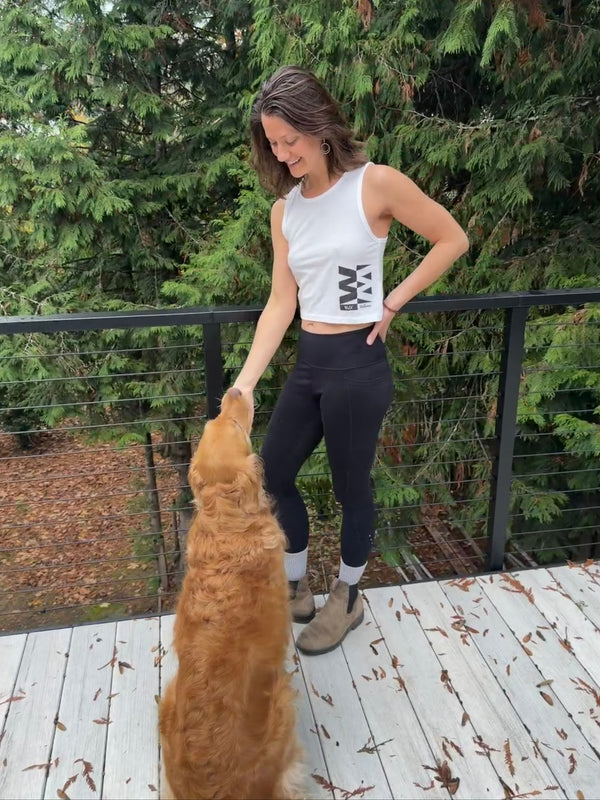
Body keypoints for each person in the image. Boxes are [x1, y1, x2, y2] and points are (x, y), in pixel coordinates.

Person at [233, 65, 468, 656]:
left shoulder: (375, 184)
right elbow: (281, 302)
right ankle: (298, 589)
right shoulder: (285, 211)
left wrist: (393, 300)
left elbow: (452, 238)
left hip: (359, 364)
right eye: (273, 143)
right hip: (310, 361)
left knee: (349, 486)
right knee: (276, 471)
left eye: (291, 139)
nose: (283, 153)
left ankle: (349, 594)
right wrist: (245, 385)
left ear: (321, 128)